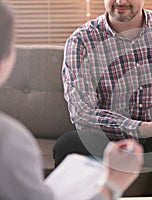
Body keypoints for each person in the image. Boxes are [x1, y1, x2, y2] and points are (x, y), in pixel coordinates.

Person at [54, 0, 152, 195]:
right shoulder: (81, 41)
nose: (120, 1)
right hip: (111, 138)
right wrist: (145, 128)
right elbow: (81, 112)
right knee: (67, 144)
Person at [0, 1, 143, 199]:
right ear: (8, 55)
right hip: (108, 133)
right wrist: (112, 185)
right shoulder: (9, 141)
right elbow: (81, 111)